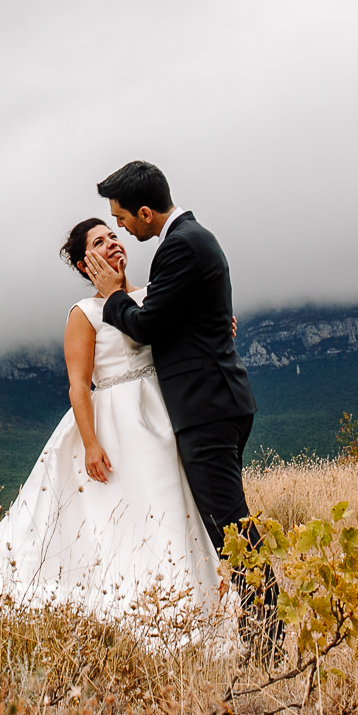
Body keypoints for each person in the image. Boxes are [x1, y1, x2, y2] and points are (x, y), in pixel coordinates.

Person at [0, 218, 239, 653]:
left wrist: (217, 328)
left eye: (112, 236)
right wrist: (91, 442)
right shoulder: (84, 313)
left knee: (177, 505)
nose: (112, 243)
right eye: (98, 242)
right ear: (83, 263)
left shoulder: (152, 297)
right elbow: (79, 384)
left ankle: (194, 613)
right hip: (114, 419)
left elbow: (191, 331)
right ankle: (139, 613)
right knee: (130, 511)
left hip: (166, 411)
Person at [81, 160, 279, 654]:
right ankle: (260, 631)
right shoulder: (191, 240)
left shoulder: (181, 246)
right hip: (215, 402)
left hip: (207, 410)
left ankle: (269, 639)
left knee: (231, 530)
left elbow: (147, 327)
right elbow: (181, 322)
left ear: (145, 213)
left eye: (122, 218)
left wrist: (111, 296)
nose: (121, 228)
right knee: (227, 525)